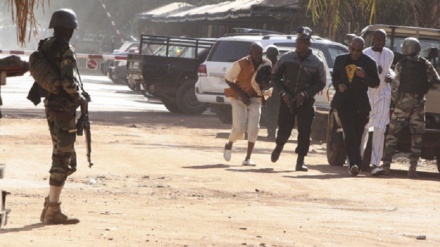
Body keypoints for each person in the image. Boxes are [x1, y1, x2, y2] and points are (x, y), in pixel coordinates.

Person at [39, 8, 88, 224]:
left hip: (51, 106)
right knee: (62, 159)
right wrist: (80, 98)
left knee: (64, 157)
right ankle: (52, 210)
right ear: (68, 28)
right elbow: (68, 82)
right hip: (64, 110)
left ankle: (50, 202)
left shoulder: (46, 46)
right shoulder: (65, 49)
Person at [380, 37, 440, 178]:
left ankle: (386, 167)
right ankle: (412, 170)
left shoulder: (401, 64)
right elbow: (437, 79)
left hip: (402, 106)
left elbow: (395, 86)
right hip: (418, 105)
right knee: (417, 139)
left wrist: (397, 102)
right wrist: (426, 85)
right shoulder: (426, 64)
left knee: (392, 136)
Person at [270, 27, 326, 172]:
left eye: (304, 42)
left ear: (309, 44)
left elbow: (321, 82)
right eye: (299, 42)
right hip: (287, 99)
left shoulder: (317, 62)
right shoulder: (286, 58)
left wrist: (306, 94)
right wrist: (283, 93)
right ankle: (279, 146)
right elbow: (275, 76)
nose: (301, 45)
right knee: (284, 128)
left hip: (305, 102)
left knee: (305, 131)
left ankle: (300, 160)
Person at [330, 36, 380, 176]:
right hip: (343, 103)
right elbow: (335, 77)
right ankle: (354, 164)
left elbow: (375, 82)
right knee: (349, 132)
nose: (355, 53)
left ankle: (354, 162)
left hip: (360, 105)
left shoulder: (369, 62)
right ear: (349, 47)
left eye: (358, 50)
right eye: (353, 49)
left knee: (357, 136)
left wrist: (364, 76)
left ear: (363, 49)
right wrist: (338, 85)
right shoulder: (340, 60)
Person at [223, 42, 272, 166]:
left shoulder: (267, 64)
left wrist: (265, 84)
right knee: (239, 128)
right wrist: (242, 95)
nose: (259, 56)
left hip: (255, 99)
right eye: (257, 53)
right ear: (250, 53)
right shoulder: (241, 64)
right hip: (239, 99)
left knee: (254, 128)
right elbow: (228, 79)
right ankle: (229, 144)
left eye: (261, 53)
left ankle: (248, 158)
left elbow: (266, 80)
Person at [360, 29, 395, 175]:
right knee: (365, 128)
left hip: (383, 94)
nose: (380, 42)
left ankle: (375, 164)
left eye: (383, 39)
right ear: (373, 39)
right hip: (368, 94)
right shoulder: (366, 53)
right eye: (378, 39)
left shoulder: (389, 54)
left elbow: (390, 70)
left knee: (380, 129)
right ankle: (359, 160)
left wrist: (390, 75)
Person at [261, 45, 280, 141]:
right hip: (270, 91)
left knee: (271, 112)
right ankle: (271, 132)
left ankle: (271, 133)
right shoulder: (267, 64)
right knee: (271, 111)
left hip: (274, 91)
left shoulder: (278, 64)